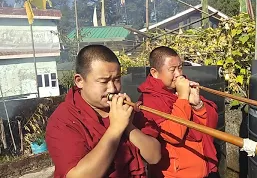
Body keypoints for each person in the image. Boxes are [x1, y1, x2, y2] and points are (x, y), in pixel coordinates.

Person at [45, 45, 161, 178]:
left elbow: (154, 157)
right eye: (103, 81)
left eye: (116, 79)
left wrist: (128, 125)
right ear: (79, 81)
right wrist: (116, 128)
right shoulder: (63, 120)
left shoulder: (123, 108)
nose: (112, 88)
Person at [137, 46, 220, 178]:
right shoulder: (150, 100)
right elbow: (174, 135)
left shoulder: (181, 89)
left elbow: (209, 128)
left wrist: (197, 105)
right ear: (155, 72)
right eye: (172, 70)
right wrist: (182, 98)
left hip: (206, 168)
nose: (178, 74)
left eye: (180, 68)